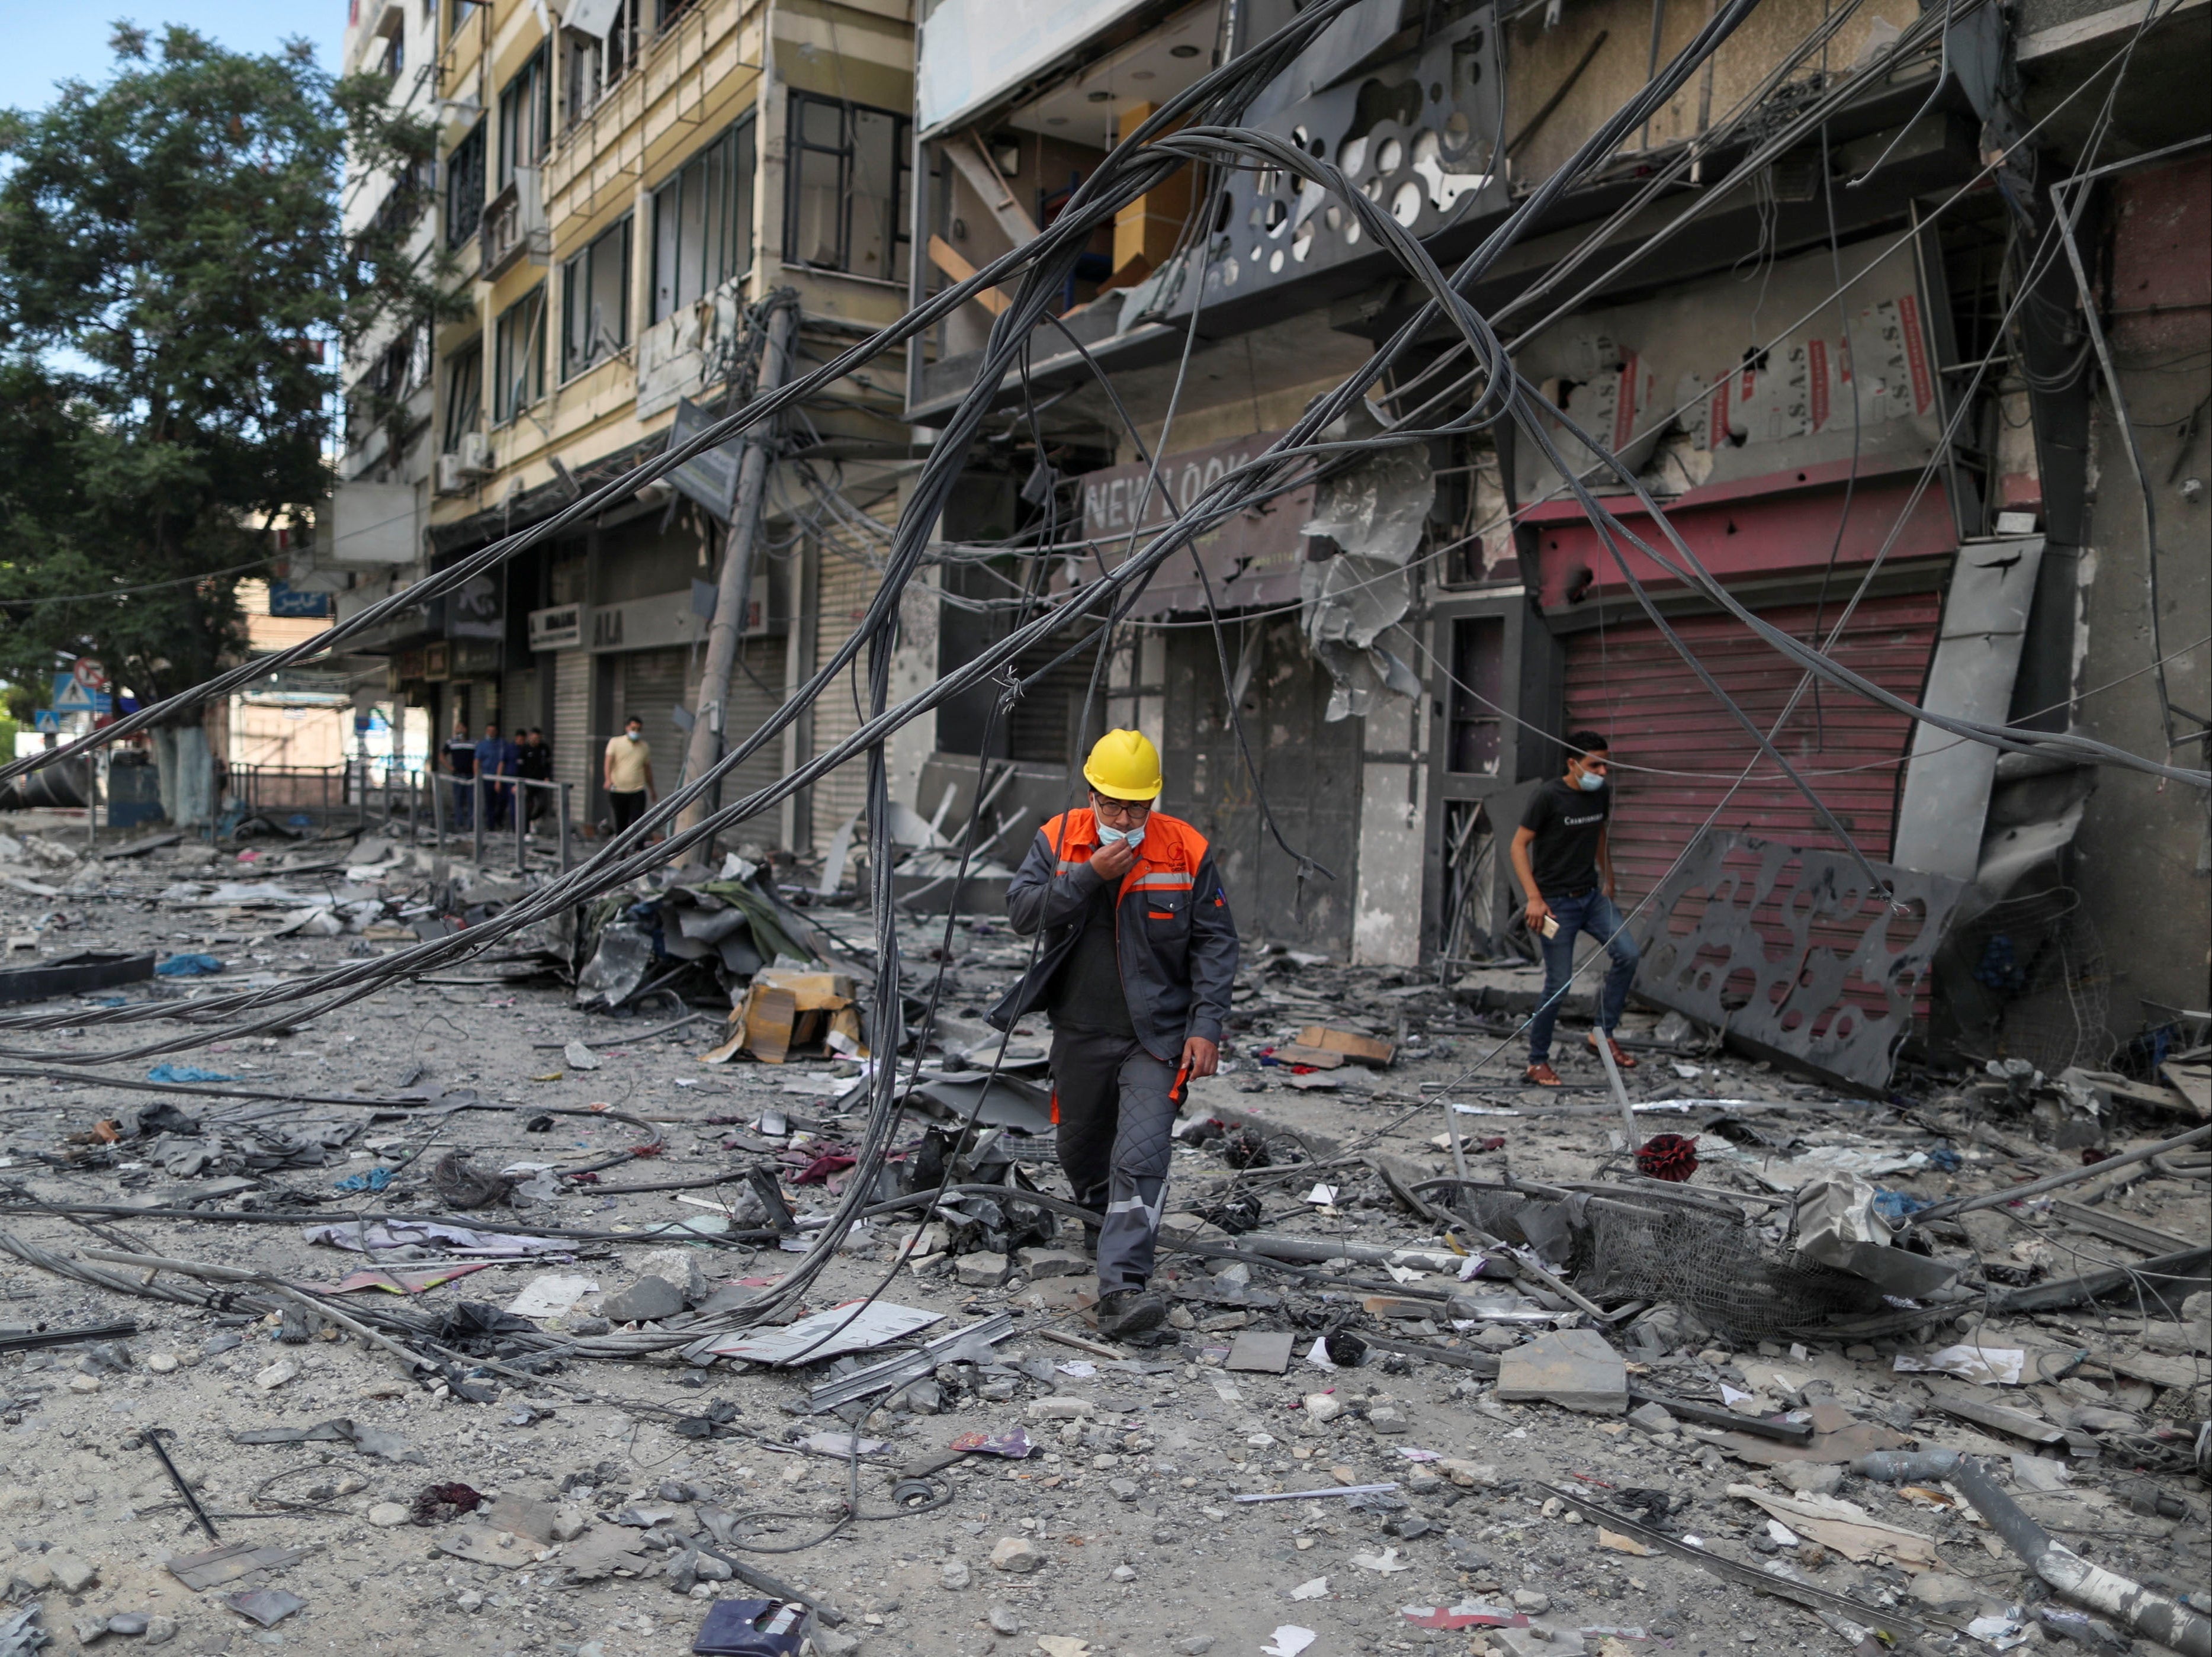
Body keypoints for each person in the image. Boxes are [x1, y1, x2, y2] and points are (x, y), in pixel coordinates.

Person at [993, 730, 1239, 1341]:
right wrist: (1085, 876)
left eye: (1137, 806)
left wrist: (1206, 1026)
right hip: (1079, 1030)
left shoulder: (1186, 849)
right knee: (1079, 1149)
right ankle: (1102, 1220)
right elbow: (1022, 912)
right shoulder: (1058, 838)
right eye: (1113, 804)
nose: (1125, 817)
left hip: (1156, 1036)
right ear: (1092, 792)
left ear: (1154, 800)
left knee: (1142, 1153)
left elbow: (1216, 941)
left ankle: (1123, 1289)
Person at [1511, 729, 1640, 1088]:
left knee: (1628, 954)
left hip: (1591, 898)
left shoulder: (1600, 796)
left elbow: (1599, 833)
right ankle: (1537, 1061)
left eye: (1605, 765)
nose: (1602, 772)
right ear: (1573, 763)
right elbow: (1518, 846)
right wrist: (1534, 899)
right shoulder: (1548, 797)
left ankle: (1602, 1033)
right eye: (1594, 765)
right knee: (1559, 984)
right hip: (1556, 906)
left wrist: (1608, 878)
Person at [603, 715, 654, 834]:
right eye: (633, 729)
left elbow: (647, 769)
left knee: (638, 822)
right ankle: (622, 852)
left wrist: (652, 789)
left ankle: (639, 849)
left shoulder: (644, 747)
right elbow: (608, 762)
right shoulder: (615, 743)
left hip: (637, 790)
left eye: (638, 730)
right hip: (618, 790)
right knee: (621, 822)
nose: (635, 732)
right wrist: (608, 779)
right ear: (627, 728)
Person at [474, 721, 517, 830]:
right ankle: (491, 825)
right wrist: (476, 776)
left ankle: (498, 818)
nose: (491, 733)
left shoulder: (502, 744)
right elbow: (477, 761)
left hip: (502, 778)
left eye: (493, 731)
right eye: (490, 731)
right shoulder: (482, 745)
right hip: (488, 777)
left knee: (503, 800)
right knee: (490, 802)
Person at [441, 717, 477, 830]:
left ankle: (471, 825)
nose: (459, 730)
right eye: (457, 728)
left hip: (471, 776)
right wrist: (450, 768)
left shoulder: (473, 743)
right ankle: (459, 824)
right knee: (458, 800)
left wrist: (476, 772)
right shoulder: (451, 742)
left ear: (466, 729)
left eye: (461, 728)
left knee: (472, 800)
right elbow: (441, 756)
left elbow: (478, 759)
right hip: (458, 775)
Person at [517, 727, 553, 828]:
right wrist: (520, 783)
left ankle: (533, 819)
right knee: (528, 806)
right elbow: (520, 768)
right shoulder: (524, 749)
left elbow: (548, 765)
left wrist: (547, 777)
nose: (536, 741)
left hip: (540, 782)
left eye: (538, 739)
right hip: (528, 782)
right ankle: (526, 830)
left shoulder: (544, 749)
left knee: (543, 804)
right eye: (534, 739)